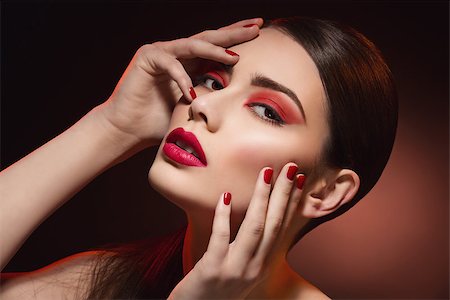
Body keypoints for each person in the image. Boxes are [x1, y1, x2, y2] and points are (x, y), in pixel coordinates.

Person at [0, 16, 398, 299]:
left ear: (326, 191)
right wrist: (110, 128)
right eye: (213, 80)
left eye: (266, 111)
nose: (203, 106)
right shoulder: (105, 280)